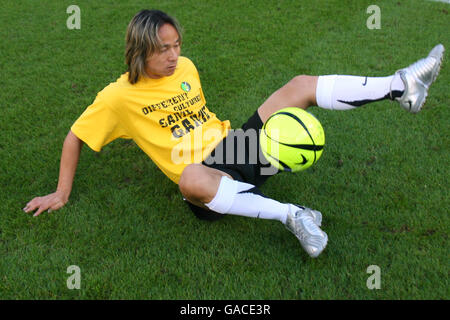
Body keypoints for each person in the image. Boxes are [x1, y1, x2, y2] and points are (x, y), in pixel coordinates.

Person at [23, 9, 444, 258]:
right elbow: (75, 135)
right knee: (189, 178)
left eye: (176, 46)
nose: (174, 57)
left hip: (240, 149)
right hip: (207, 183)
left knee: (298, 85)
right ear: (138, 52)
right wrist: (61, 193)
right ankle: (292, 215)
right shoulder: (117, 97)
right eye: (162, 50)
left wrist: (243, 143)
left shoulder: (185, 69)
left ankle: (399, 86)